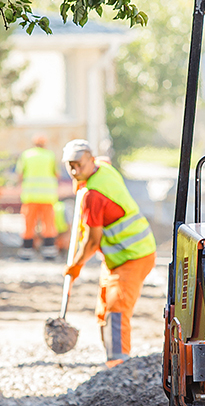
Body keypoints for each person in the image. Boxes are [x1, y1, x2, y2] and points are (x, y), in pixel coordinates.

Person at [62, 140, 156, 367]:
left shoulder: (93, 196)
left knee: (116, 310)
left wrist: (75, 265)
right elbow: (104, 161)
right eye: (71, 166)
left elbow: (93, 241)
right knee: (104, 308)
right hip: (117, 257)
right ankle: (111, 360)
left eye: (79, 165)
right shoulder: (102, 167)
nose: (75, 171)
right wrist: (82, 181)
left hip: (133, 255)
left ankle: (118, 366)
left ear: (90, 160)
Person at [16, 134, 60, 260]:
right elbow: (56, 174)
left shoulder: (26, 155)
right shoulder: (50, 155)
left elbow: (20, 175)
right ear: (44, 144)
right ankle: (49, 251)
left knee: (29, 224)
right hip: (47, 196)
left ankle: (26, 251)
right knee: (49, 224)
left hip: (30, 196)